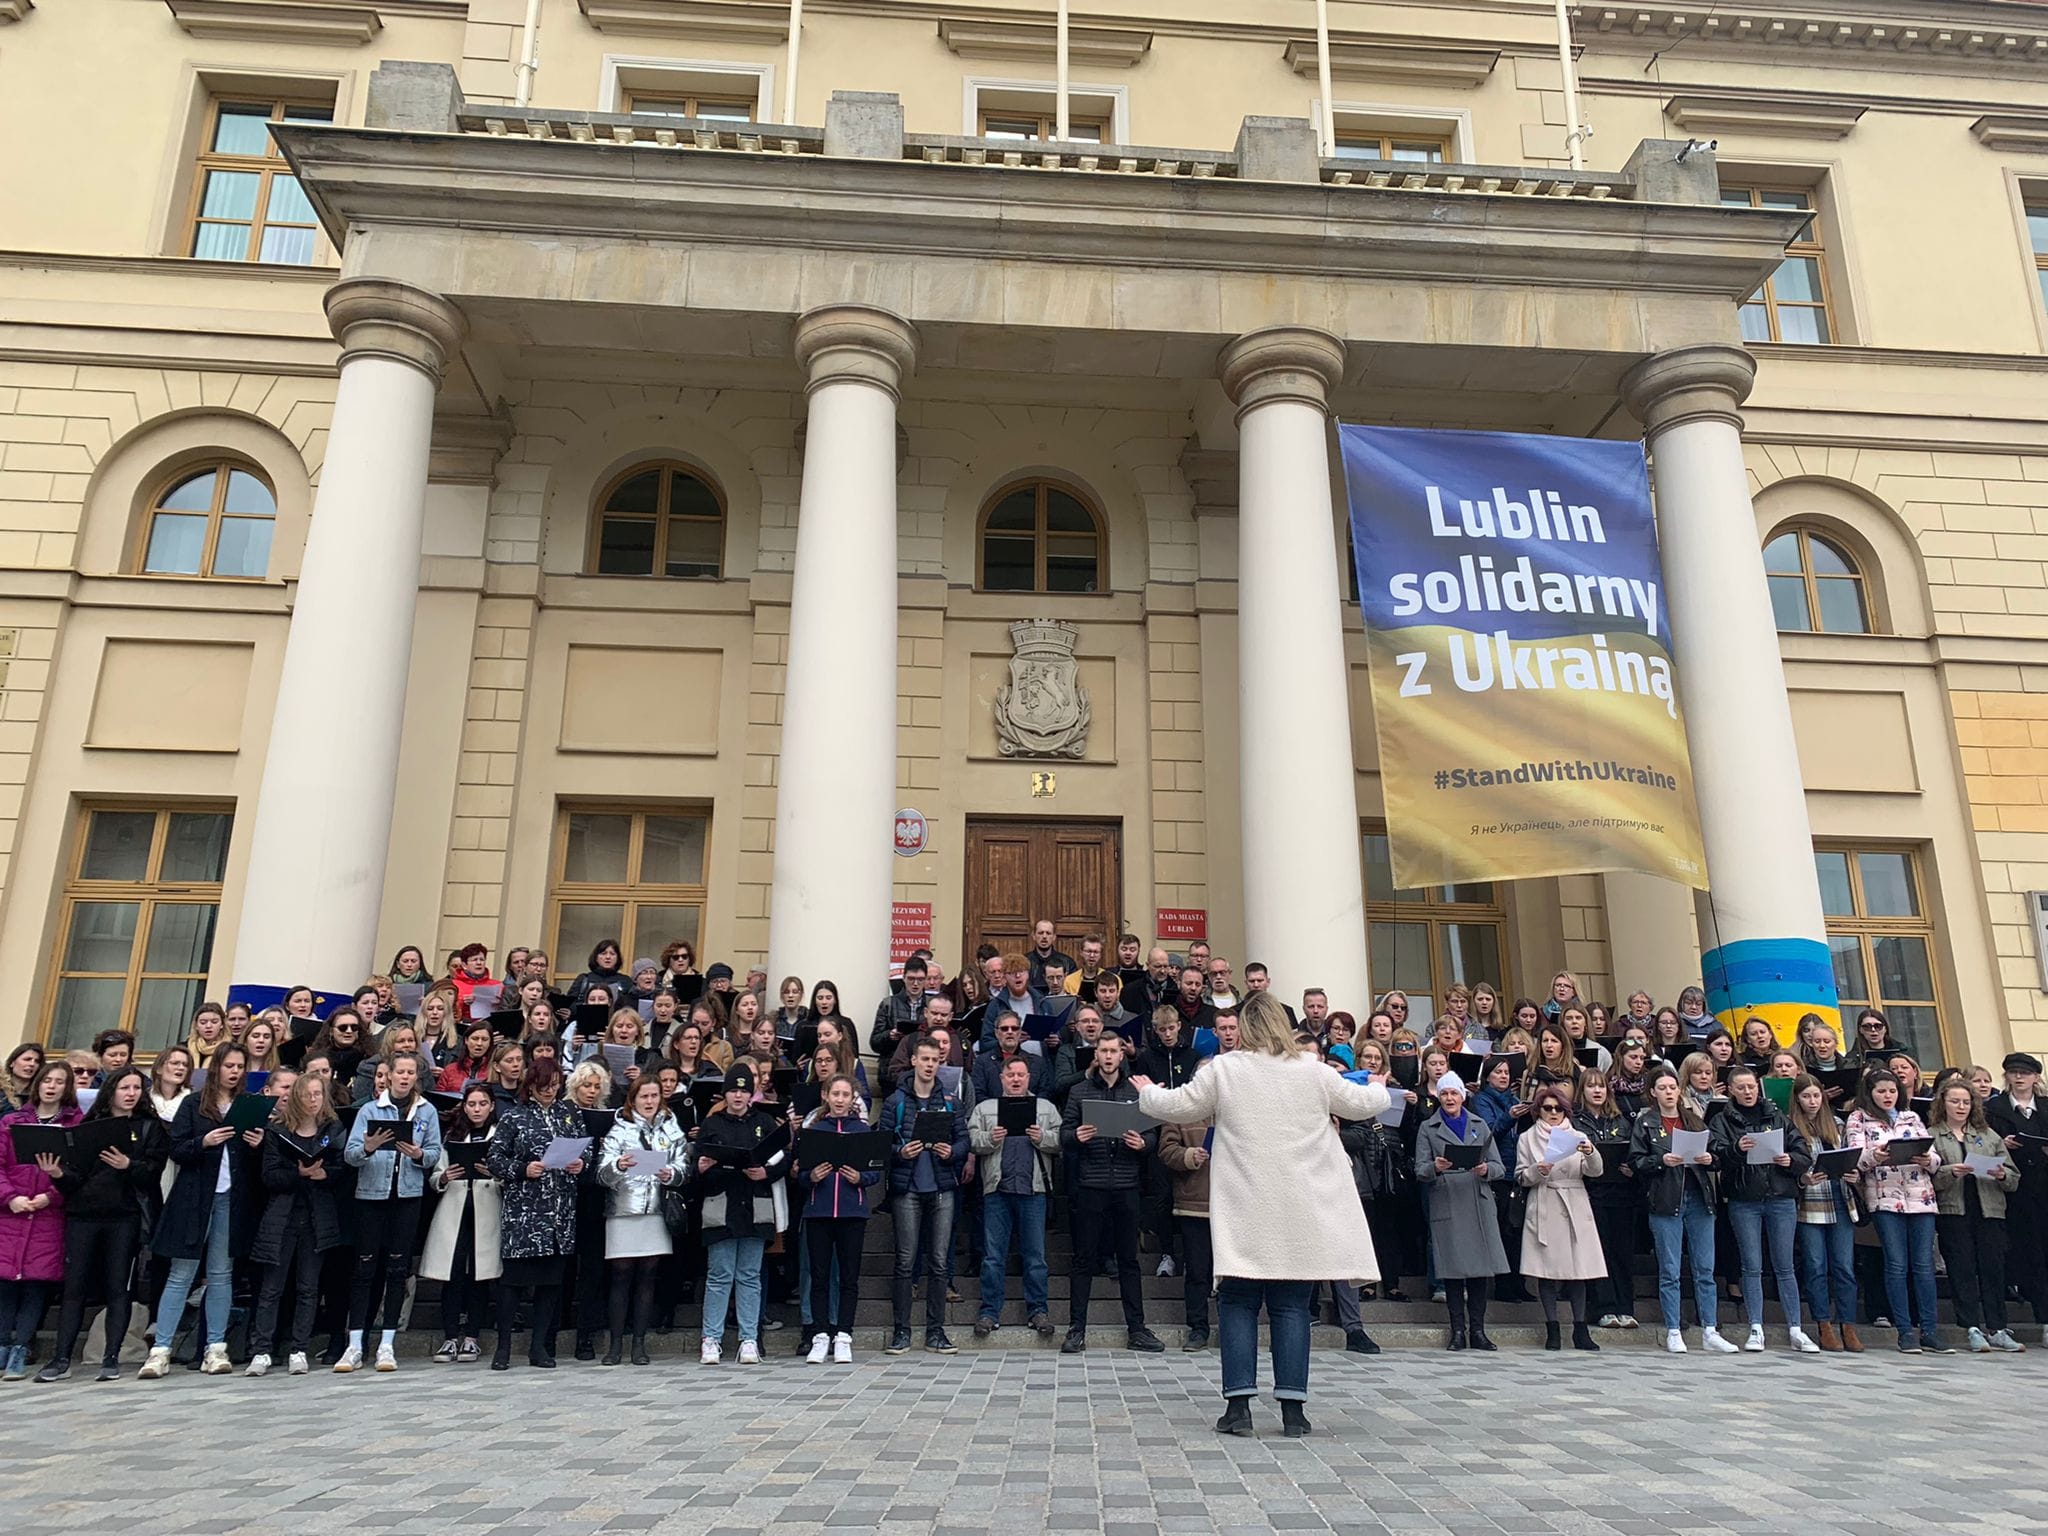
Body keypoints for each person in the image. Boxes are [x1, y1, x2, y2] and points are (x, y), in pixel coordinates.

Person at [1133, 991, 1388, 1438]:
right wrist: (1381, 1088)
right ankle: (1294, 1412)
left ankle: (1239, 1409)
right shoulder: (1313, 1070)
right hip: (1299, 1209)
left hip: (1246, 1208)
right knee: (1291, 1306)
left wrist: (1148, 1092)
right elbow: (1362, 1104)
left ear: (1245, 1028)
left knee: (1237, 1302)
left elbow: (1178, 1106)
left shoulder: (1226, 1070)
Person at [36, 1065, 167, 1382]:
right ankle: (61, 1358)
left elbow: (152, 1175)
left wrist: (128, 1165)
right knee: (74, 1287)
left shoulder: (150, 1127)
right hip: (83, 1215)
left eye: (137, 1088)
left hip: (124, 1217)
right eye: (125, 1087)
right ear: (112, 1091)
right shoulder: (89, 1124)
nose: (131, 1093)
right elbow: (75, 1177)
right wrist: (57, 1175)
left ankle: (112, 1357)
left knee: (118, 1287)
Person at [140, 1043, 262, 1379]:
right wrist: (203, 1143)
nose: (235, 1072)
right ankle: (161, 1349)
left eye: (240, 1066)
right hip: (195, 1198)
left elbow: (255, 1162)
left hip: (230, 1198)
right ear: (216, 1068)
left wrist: (256, 1144)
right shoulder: (194, 1104)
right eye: (229, 1066)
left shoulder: (248, 1105)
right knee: (181, 1273)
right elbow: (177, 1149)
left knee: (222, 1274)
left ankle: (216, 1347)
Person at [337, 1049, 442, 1373]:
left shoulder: (426, 1112)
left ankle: (387, 1343)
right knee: (365, 1268)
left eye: (412, 1073)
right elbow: (351, 1154)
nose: (405, 1077)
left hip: (407, 1196)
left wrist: (418, 1153)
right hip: (371, 1195)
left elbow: (435, 1153)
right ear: (389, 1075)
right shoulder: (370, 1110)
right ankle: (355, 1343)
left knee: (398, 1270)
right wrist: (368, 1147)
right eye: (401, 1072)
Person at [1059, 1029, 1163, 1355]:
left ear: (1121, 1055)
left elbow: (1153, 1137)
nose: (1107, 1056)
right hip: (1091, 1183)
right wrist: (1077, 1135)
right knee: (1083, 1259)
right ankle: (1077, 1329)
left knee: (1129, 1261)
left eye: (1113, 1051)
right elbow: (1063, 1136)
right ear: (1096, 1055)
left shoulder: (1135, 1092)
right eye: (1102, 1051)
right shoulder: (1079, 1091)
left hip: (1126, 1184)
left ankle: (1137, 1328)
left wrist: (1142, 1144)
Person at [1630, 1064, 1738, 1354]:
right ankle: (1673, 1328)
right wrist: (1660, 1161)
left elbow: (1717, 1154)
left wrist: (1708, 1159)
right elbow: (1637, 1161)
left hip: (1699, 1197)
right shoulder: (1647, 1123)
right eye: (1662, 1088)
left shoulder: (1693, 1120)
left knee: (1705, 1268)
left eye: (1672, 1087)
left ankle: (1710, 1329)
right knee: (1670, 1269)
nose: (1668, 1092)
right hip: (1666, 1200)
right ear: (1653, 1092)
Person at [1710, 1064, 1817, 1352]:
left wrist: (1790, 1161)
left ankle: (1795, 1327)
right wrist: (1736, 1148)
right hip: (1745, 1198)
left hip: (1780, 1195)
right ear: (1731, 1089)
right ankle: (1755, 1326)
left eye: (1752, 1086)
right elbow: (1715, 1155)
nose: (1748, 1092)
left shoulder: (1777, 1116)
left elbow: (1803, 1153)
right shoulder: (1723, 1120)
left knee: (1785, 1265)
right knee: (1751, 1265)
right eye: (1742, 1087)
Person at [487, 1057, 585, 1370]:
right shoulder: (514, 1117)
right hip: (525, 1212)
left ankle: (539, 1346)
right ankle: (502, 1347)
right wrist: (522, 1169)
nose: (550, 1092)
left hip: (559, 1210)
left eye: (555, 1086)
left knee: (550, 1283)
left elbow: (587, 1149)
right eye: (544, 1087)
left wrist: (580, 1164)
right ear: (531, 1086)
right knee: (514, 1282)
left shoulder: (569, 1114)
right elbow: (495, 1158)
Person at [243, 1073, 344, 1378]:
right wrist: (297, 1173)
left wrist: (324, 1175)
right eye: (307, 1095)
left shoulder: (332, 1129)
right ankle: (261, 1349)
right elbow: (270, 1176)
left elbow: (341, 1169)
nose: (313, 1100)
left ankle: (299, 1348)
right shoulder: (278, 1130)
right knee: (271, 1288)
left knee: (308, 1287)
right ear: (296, 1097)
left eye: (318, 1094)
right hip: (283, 1216)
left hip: (317, 1216)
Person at [693, 1061, 788, 1365]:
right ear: (725, 1093)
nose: (738, 1095)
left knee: (749, 1275)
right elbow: (698, 1160)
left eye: (744, 1090)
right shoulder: (713, 1124)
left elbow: (783, 1158)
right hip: (720, 1205)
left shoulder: (764, 1121)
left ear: (752, 1093)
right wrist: (702, 1168)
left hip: (755, 1204)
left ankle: (749, 1339)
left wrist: (767, 1172)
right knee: (719, 1275)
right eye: (733, 1090)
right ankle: (711, 1338)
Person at [1847, 1068, 1948, 1353]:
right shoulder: (1859, 1118)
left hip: (1921, 1198)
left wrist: (1927, 1158)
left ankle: (1929, 1329)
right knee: (1896, 1264)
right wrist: (1874, 1155)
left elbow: (1935, 1158)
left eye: (1892, 1091)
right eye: (1881, 1091)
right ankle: (1904, 1330)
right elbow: (1855, 1158)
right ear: (1870, 1093)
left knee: (1924, 1265)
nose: (1887, 1096)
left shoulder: (1911, 1116)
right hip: (1885, 1198)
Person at [882, 1037, 967, 1355]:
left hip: (942, 1187)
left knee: (940, 1262)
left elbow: (964, 1141)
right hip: (908, 1190)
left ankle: (936, 1331)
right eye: (926, 1059)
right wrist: (900, 1151)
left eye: (936, 1060)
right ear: (914, 1061)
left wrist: (952, 1152)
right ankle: (901, 1331)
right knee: (905, 1262)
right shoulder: (895, 1102)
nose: (931, 1064)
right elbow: (882, 1145)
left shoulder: (950, 1101)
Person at [967, 1054, 1062, 1341]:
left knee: (1035, 1257)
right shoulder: (985, 1108)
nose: (1016, 1079)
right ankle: (989, 1312)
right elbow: (971, 1140)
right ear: (1002, 1078)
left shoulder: (1044, 1107)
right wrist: (990, 1139)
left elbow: (1061, 1141)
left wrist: (1041, 1137)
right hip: (997, 1190)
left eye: (1021, 1075)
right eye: (1011, 1075)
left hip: (1033, 1190)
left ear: (1029, 1077)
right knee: (993, 1257)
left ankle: (1038, 1311)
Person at [1930, 1078, 2026, 1353]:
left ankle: (1997, 1327)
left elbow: (2013, 1178)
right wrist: (1950, 1172)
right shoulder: (1933, 1134)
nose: (1960, 1107)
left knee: (1993, 1268)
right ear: (1943, 1103)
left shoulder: (1988, 1135)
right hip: (1954, 1210)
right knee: (1962, 1269)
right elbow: (1930, 1179)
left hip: (1989, 1210)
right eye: (1954, 1101)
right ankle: (1970, 1326)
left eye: (1966, 1102)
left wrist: (2001, 1173)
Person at [597, 1075, 688, 1366]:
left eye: (654, 1096)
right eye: (644, 1097)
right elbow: (600, 1173)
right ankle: (614, 1345)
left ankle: (639, 1343)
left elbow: (683, 1166)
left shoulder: (672, 1128)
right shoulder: (618, 1130)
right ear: (633, 1100)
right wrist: (619, 1165)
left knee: (648, 1276)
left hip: (656, 1210)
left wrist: (671, 1174)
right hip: (624, 1210)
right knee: (621, 1275)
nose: (649, 1102)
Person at [0, 1061, 82, 1379]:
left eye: (59, 1082)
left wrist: (51, 1194)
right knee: (5, 1285)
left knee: (36, 1285)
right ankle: (3, 1346)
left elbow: (77, 1172)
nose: (51, 1086)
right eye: (47, 1080)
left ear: (67, 1088)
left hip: (48, 1216)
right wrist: (11, 1198)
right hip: (12, 1214)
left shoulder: (75, 1123)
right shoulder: (11, 1121)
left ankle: (21, 1348)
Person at [1415, 1072, 1508, 1351]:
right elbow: (1419, 1169)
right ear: (1438, 1097)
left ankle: (1478, 1331)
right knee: (1453, 1271)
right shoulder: (1427, 1128)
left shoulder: (1480, 1124)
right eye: (1444, 1094)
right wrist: (1436, 1167)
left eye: (1454, 1093)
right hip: (1448, 1200)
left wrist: (1485, 1169)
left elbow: (1500, 1167)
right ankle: (1458, 1331)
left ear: (1463, 1096)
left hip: (1477, 1200)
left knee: (1479, 1271)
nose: (1449, 1099)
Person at [795, 1074, 879, 1365]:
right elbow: (802, 1173)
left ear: (852, 1099)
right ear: (826, 1096)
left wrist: (860, 1178)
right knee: (818, 1277)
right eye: (836, 1094)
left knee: (848, 1277)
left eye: (846, 1095)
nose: (841, 1099)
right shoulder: (815, 1129)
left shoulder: (861, 1129)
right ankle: (820, 1334)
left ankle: (844, 1334)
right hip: (818, 1211)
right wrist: (811, 1177)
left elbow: (875, 1171)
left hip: (852, 1211)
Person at [1515, 1085, 1605, 1350]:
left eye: (1558, 1108)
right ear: (1538, 1111)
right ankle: (1552, 1327)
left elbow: (1596, 1171)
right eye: (1547, 1108)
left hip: (1575, 1201)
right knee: (1546, 1271)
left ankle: (1580, 1328)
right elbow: (1520, 1175)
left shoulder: (1577, 1135)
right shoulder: (1528, 1138)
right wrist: (1537, 1170)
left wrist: (1589, 1152)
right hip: (1545, 1199)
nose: (1553, 1113)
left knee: (1579, 1270)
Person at [422, 1083, 501, 1363]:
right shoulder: (453, 1135)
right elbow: (435, 1175)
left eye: (482, 1104)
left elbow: (508, 1174)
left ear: (492, 1105)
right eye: (471, 1104)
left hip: (486, 1208)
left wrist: (494, 1172)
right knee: (452, 1275)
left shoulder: (499, 1134)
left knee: (479, 1275)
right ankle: (450, 1336)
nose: (476, 1109)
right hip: (454, 1209)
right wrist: (444, 1178)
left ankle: (472, 1338)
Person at [1788, 1074, 1862, 1352]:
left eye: (1817, 1096)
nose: (1813, 1101)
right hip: (1809, 1203)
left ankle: (1848, 1324)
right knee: (1816, 1266)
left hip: (1840, 1199)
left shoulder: (1838, 1125)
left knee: (1844, 1266)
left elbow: (1849, 1157)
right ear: (1797, 1099)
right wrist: (1803, 1179)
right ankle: (1823, 1324)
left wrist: (1853, 1173)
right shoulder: (1791, 1127)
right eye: (1806, 1096)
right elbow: (1790, 1165)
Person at [1572, 1068, 1639, 1329]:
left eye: (1601, 1086)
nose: (1597, 1091)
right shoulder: (1577, 1121)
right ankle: (1604, 1307)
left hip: (1621, 1192)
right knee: (1600, 1252)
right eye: (1591, 1086)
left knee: (1622, 1253)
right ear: (1583, 1091)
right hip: (1592, 1193)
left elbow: (1635, 1151)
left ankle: (1625, 1307)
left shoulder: (1621, 1120)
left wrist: (1631, 1166)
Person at [1986, 1050, 2048, 1325]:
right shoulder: (1995, 1108)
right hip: (2014, 1190)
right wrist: (2003, 1143)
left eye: (2025, 1073)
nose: (2019, 1077)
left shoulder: (2045, 1107)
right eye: (2014, 1072)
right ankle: (2042, 1315)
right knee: (2028, 1250)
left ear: (2036, 1077)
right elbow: (1984, 1140)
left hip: (2044, 1185)